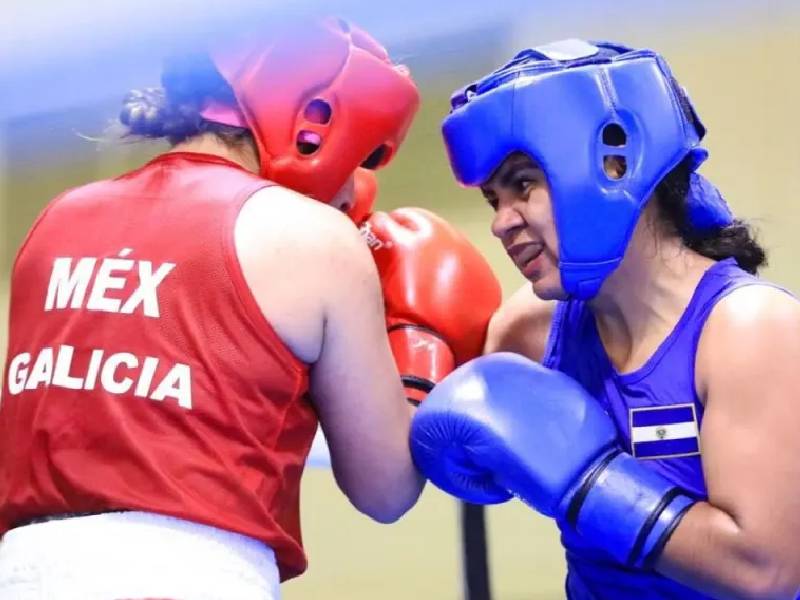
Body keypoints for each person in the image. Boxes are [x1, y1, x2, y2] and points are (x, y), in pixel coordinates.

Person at [0, 16, 501, 600]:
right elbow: (384, 491)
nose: (352, 192)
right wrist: (416, 366)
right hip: (194, 578)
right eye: (359, 156)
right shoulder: (311, 237)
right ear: (313, 120)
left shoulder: (56, 220)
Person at [409, 39, 800, 599]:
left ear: (614, 164)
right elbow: (434, 463)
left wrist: (591, 484)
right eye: (494, 199)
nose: (501, 223)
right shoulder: (528, 330)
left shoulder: (749, 330)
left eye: (523, 184)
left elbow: (766, 572)